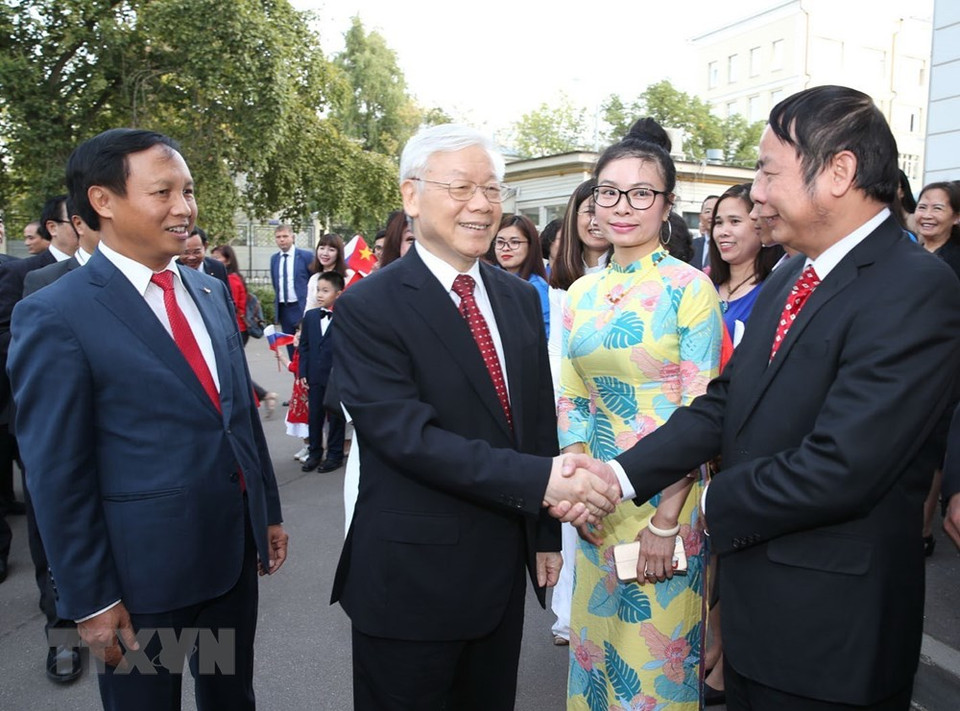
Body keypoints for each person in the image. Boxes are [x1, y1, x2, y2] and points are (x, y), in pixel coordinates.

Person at [567, 85, 960, 710]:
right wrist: (616, 475)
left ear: (839, 171)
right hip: (758, 623)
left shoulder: (914, 287)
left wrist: (699, 509)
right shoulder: (793, 278)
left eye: (766, 170)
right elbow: (723, 405)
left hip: (831, 635)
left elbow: (843, 466)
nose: (755, 192)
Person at [330, 123, 620, 711]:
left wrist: (544, 533)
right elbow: (408, 438)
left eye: (493, 189)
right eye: (462, 187)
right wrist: (542, 483)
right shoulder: (368, 307)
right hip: (410, 581)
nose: (482, 205)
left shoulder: (515, 297)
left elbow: (534, 421)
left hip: (498, 576)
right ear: (412, 195)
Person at [8, 128, 288, 711]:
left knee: (229, 695)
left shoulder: (209, 292)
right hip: (141, 585)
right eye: (163, 192)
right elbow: (57, 473)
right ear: (102, 201)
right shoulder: (56, 314)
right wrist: (89, 598)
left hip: (228, 561)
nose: (185, 208)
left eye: (188, 191)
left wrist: (267, 512)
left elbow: (233, 416)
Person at [559, 120, 723, 711]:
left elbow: (699, 411)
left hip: (665, 502)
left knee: (653, 668)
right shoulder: (580, 293)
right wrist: (578, 491)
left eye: (641, 193)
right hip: (597, 501)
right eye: (608, 191)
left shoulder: (690, 288)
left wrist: (668, 519)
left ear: (667, 205)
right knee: (595, 655)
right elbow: (570, 396)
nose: (622, 206)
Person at [0, 193, 79, 683]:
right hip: (45, 427)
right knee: (52, 530)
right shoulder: (29, 276)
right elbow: (12, 345)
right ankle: (62, 632)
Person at [545, 178, 609, 646]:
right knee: (571, 515)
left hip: (613, 413)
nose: (595, 218)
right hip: (566, 412)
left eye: (601, 206)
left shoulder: (629, 276)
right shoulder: (558, 284)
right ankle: (569, 614)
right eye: (585, 209)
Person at [708, 183, 783, 345]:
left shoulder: (776, 292)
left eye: (734, 221)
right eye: (718, 223)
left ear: (758, 223)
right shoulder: (702, 284)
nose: (723, 232)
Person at [211, 244, 277, 416]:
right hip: (237, 328)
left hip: (237, 329)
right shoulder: (230, 276)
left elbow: (229, 307)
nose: (213, 260)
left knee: (232, 367)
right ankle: (263, 395)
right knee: (232, 367)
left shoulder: (231, 279)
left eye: (218, 257)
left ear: (228, 259)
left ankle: (263, 395)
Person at [299, 270, 346, 473]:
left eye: (325, 291)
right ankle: (315, 452)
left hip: (336, 376)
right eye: (318, 290)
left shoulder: (345, 317)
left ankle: (335, 454)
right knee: (315, 415)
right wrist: (303, 373)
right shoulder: (310, 317)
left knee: (335, 416)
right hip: (315, 375)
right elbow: (305, 347)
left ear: (338, 294)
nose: (319, 294)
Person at [494, 214, 550, 336]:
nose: (505, 248)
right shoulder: (489, 280)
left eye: (514, 242)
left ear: (531, 246)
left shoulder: (536, 288)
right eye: (500, 242)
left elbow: (545, 336)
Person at [270, 224, 312, 356]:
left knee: (305, 346)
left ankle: (307, 376)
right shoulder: (274, 259)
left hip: (301, 307)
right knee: (291, 348)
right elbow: (275, 283)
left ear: (292, 237)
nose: (282, 240)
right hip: (284, 310)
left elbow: (314, 279)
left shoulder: (306, 256)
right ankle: (296, 376)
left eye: (285, 236)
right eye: (278, 237)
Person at [915, 181, 960, 282]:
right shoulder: (907, 251)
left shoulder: (956, 259)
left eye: (937, 208)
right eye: (922, 207)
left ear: (956, 217)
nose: (927, 215)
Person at [304, 232, 347, 312]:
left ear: (338, 253)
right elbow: (309, 308)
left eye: (331, 250)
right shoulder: (314, 279)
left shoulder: (347, 277)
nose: (325, 253)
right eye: (322, 248)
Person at [690, 195, 719, 271]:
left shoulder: (729, 245)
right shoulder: (691, 246)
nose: (711, 215)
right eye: (707, 211)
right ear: (700, 217)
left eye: (716, 210)